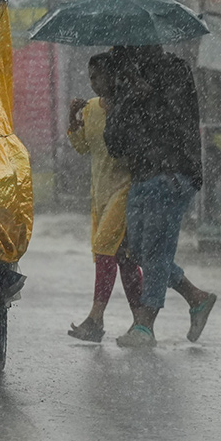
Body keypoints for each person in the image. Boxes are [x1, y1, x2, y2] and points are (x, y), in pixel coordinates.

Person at [104, 45, 216, 347]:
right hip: (142, 177)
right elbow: (113, 143)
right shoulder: (125, 85)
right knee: (136, 251)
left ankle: (144, 324)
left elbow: (181, 122)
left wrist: (152, 95)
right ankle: (196, 296)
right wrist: (121, 102)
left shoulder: (175, 72)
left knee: (155, 252)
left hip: (171, 176)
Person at [66, 52, 144, 342]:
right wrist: (73, 120)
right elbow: (83, 148)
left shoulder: (130, 106)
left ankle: (95, 320)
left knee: (103, 250)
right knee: (123, 258)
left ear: (113, 77)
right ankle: (141, 323)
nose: (94, 83)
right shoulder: (91, 109)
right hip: (99, 192)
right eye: (90, 78)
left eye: (98, 76)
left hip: (125, 189)